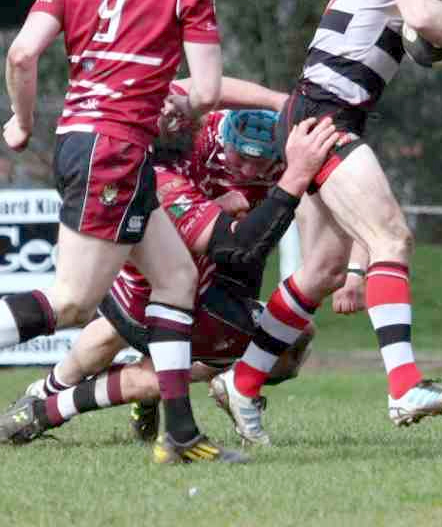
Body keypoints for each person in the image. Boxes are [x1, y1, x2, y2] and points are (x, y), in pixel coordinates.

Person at [211, 0, 442, 433]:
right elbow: (425, 17)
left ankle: (241, 383)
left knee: (321, 270)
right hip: (323, 117)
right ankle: (405, 387)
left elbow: (418, 27)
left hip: (318, 113)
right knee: (393, 238)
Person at [1, 0, 242, 464]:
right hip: (114, 148)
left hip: (88, 141)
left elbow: (23, 55)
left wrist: (22, 123)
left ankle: (180, 437)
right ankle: (178, 435)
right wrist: (181, 106)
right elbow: (209, 90)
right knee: (75, 300)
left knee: (176, 277)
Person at [0, 100, 342, 447]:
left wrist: (284, 103)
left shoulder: (215, 126)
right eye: (242, 160)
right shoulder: (167, 176)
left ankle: (39, 397)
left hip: (155, 283)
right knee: (143, 353)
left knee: (104, 331)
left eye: (260, 162)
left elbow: (207, 87)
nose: (251, 171)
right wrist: (281, 184)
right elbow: (237, 246)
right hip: (159, 292)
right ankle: (48, 408)